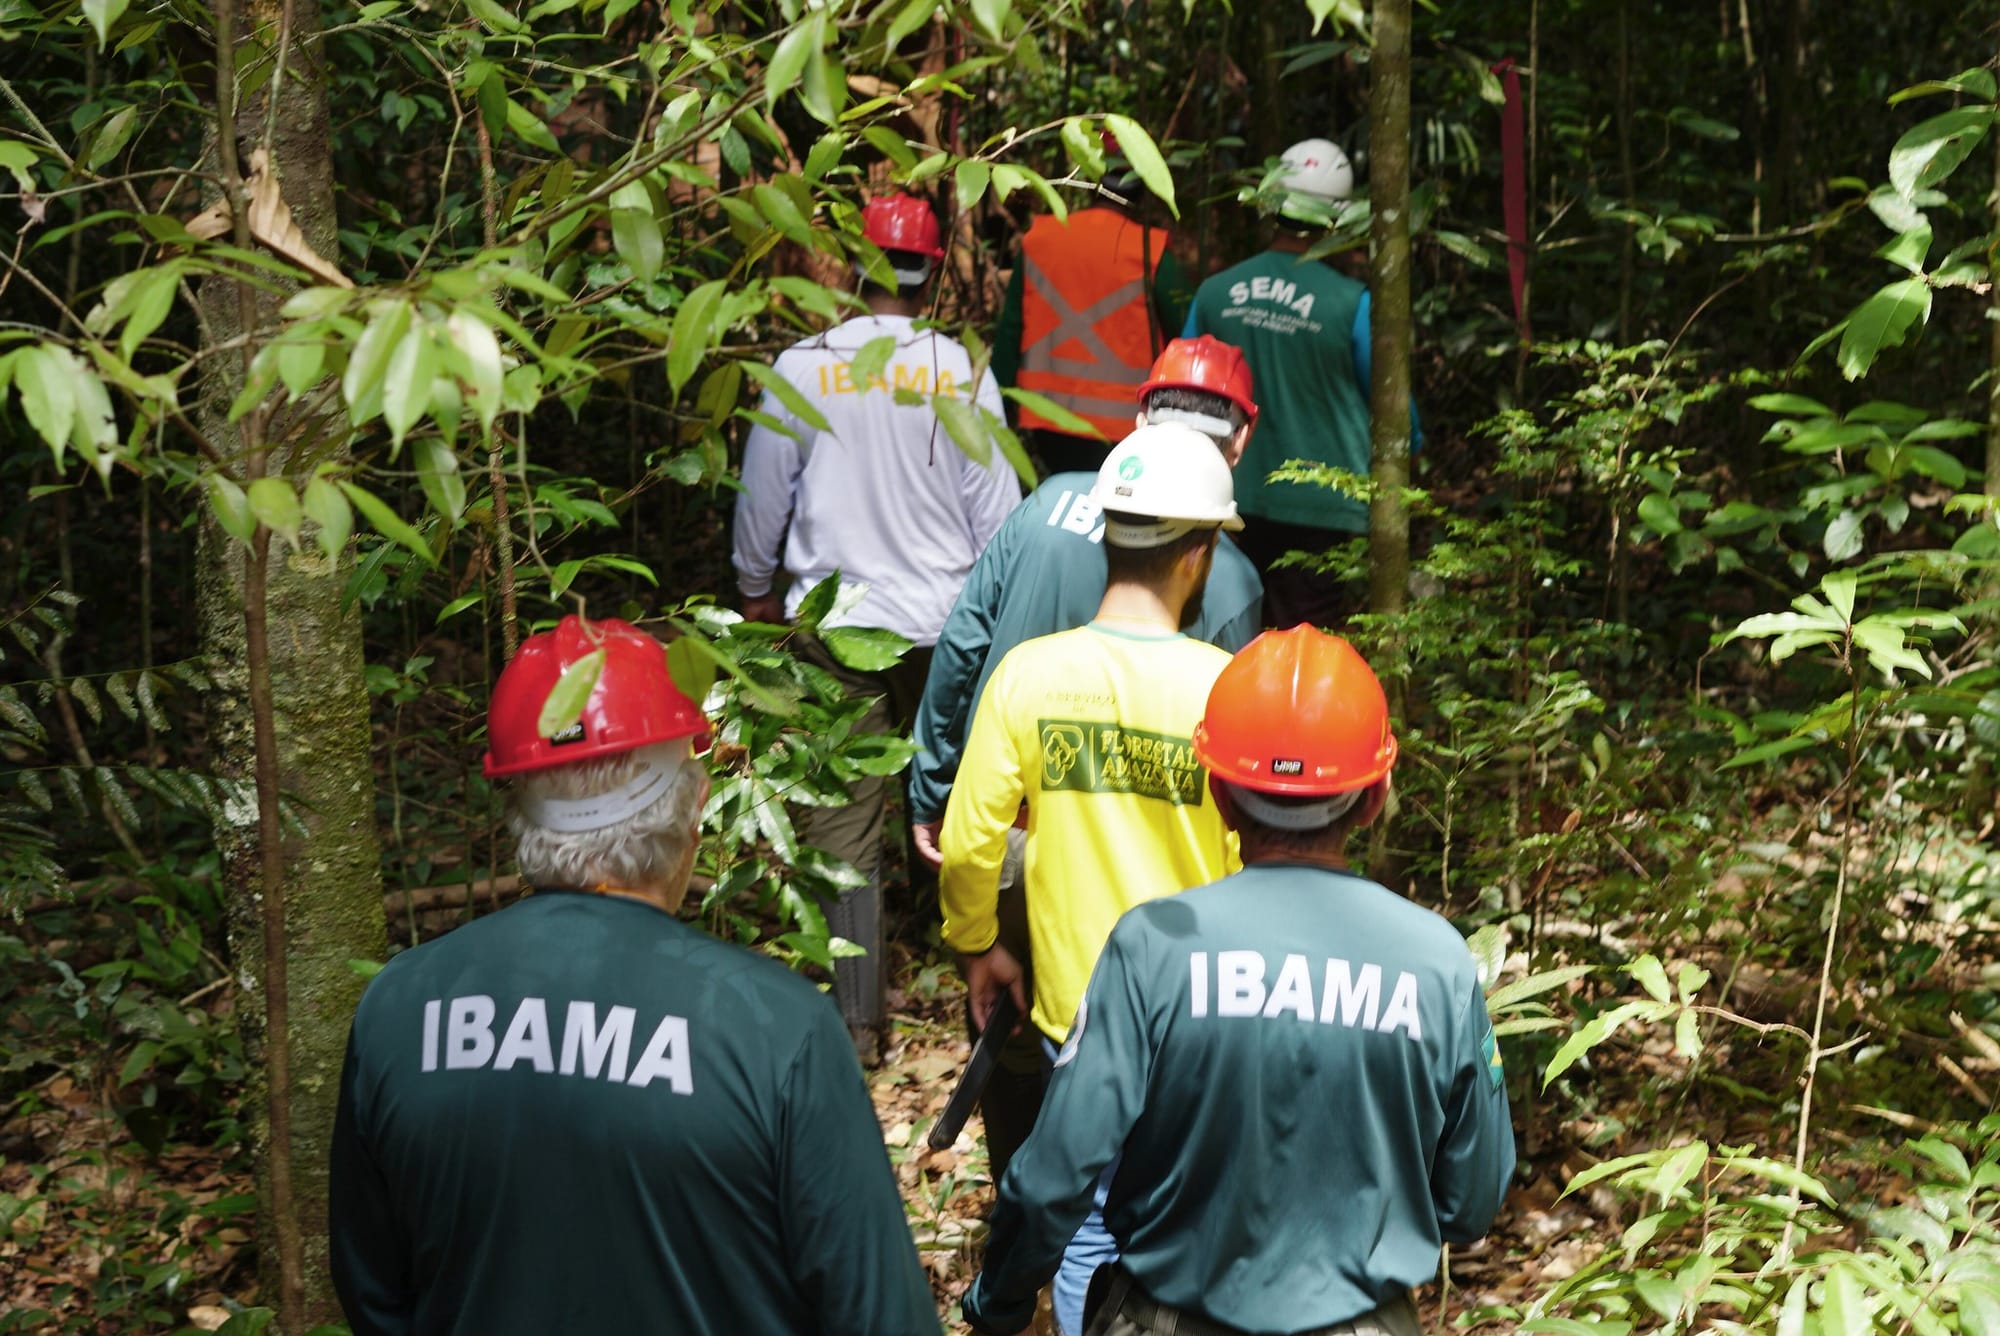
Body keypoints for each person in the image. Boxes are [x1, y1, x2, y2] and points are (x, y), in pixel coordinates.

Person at [329, 616, 938, 1335]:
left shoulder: (399, 1009)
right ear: (693, 811)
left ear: (515, 814)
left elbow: (374, 1296)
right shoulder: (777, 1029)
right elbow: (878, 1316)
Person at [961, 627, 1516, 1336]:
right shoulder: (1436, 961)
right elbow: (1472, 1201)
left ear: (1219, 795)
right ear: (1373, 797)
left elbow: (1053, 1178)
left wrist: (1000, 1301)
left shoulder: (1151, 949)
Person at [907, 336, 1264, 1179]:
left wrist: (932, 787)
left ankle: (1023, 1197)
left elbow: (962, 644)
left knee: (1006, 1021)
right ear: (1240, 440)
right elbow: (1239, 795)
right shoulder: (1232, 576)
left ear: (1140, 416)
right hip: (1144, 877)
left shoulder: (1050, 503)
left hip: (1012, 832)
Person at [939, 422, 1245, 1336]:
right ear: (1198, 556)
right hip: (1202, 1021)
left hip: (1081, 1019)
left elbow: (968, 843)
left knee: (1085, 1239)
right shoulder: (1226, 688)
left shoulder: (1031, 677)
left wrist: (977, 946)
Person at [733, 191, 1023, 1065]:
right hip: (945, 625)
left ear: (855, 267)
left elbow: (761, 503)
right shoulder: (962, 373)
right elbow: (998, 524)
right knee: (962, 800)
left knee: (843, 823)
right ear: (934, 274)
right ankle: (983, 979)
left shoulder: (807, 362)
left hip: (836, 623)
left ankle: (861, 1024)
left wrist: (754, 597)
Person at [1184, 137, 1421, 630]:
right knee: (1300, 646)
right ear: (1339, 217)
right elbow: (1399, 417)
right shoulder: (1352, 304)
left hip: (1225, 495)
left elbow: (1182, 387)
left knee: (1223, 630)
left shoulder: (1215, 293)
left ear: (1272, 205)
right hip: (1323, 509)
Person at [993, 169, 1194, 478]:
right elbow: (1184, 335)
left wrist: (995, 403)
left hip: (1046, 418)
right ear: (1143, 196)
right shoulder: (1149, 250)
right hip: (1124, 426)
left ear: (1089, 186)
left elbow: (1010, 330)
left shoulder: (1041, 239)